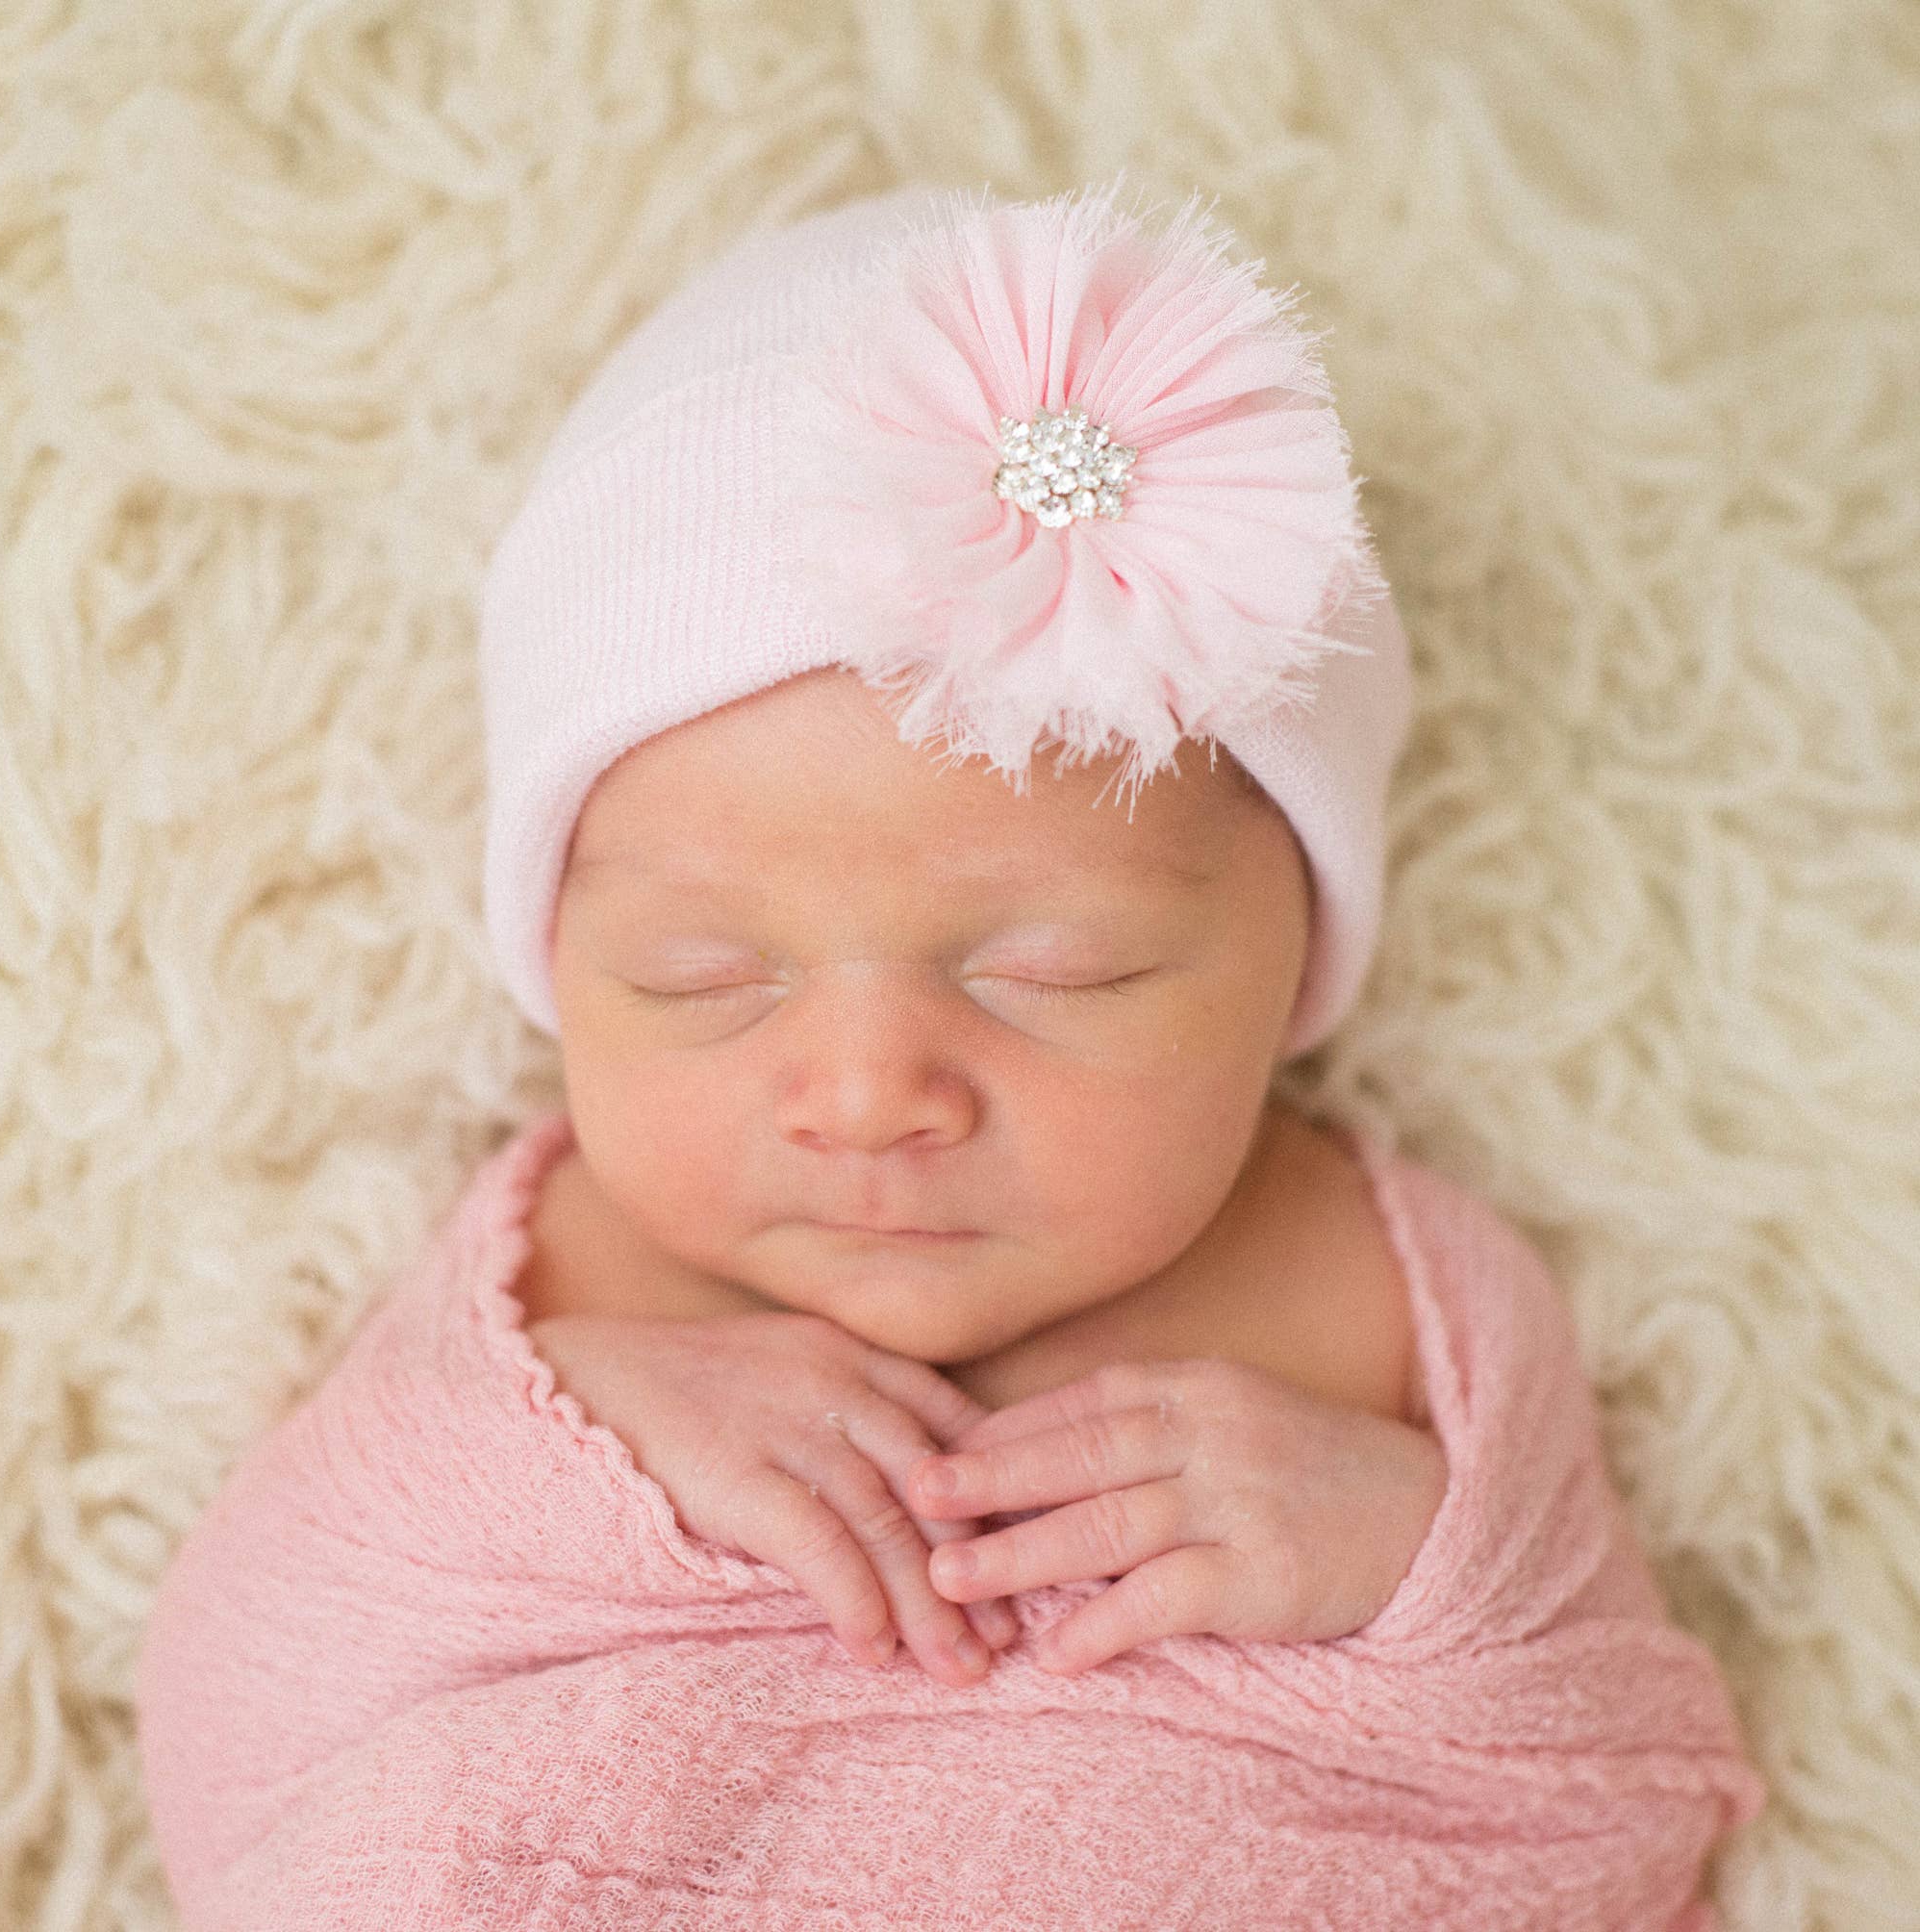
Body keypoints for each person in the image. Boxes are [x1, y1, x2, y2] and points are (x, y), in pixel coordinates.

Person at [135, 177, 1766, 1929]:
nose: (866, 1096)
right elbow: (237, 1733)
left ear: (1295, 949)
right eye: (704, 980)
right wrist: (576, 1451)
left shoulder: (1391, 1292)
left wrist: (1399, 1551)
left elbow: (1626, 1791)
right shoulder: (562, 1292)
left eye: (1054, 971)